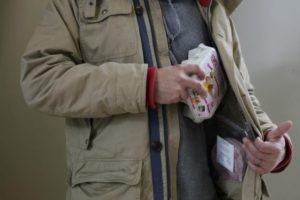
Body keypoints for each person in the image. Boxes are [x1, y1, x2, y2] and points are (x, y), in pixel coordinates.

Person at [20, 0, 293, 199]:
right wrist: (147, 85)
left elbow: (242, 93)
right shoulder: (77, 4)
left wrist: (269, 142)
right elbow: (39, 79)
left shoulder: (212, 8)